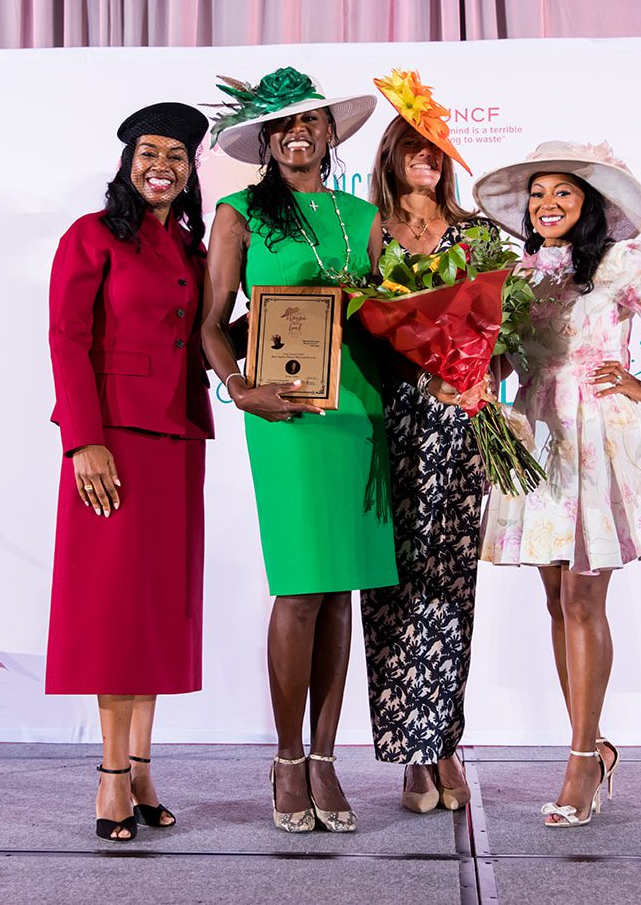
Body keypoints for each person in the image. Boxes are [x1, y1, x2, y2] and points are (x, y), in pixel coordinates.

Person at [474, 141, 641, 828]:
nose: (547, 204)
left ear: (589, 206)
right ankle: (594, 743)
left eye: (563, 193)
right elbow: (499, 353)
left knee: (584, 596)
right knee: (558, 599)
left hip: (595, 434)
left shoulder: (620, 265)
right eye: (538, 194)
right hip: (537, 432)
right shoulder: (516, 270)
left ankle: (582, 760)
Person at [199, 67, 397, 834]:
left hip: (359, 410)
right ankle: (286, 758)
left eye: (310, 121)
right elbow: (212, 321)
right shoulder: (240, 213)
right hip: (284, 413)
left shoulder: (361, 214)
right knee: (301, 586)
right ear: (265, 141)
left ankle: (324, 756)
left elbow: (389, 312)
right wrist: (238, 386)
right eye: (283, 126)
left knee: (342, 588)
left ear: (329, 131)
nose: (298, 134)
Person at [45, 102, 214, 843]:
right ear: (126, 161)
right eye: (151, 152)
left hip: (177, 442)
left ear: (189, 171)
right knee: (115, 612)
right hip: (113, 443)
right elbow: (65, 338)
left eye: (177, 156)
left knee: (155, 611)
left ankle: (142, 766)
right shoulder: (90, 237)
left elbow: (203, 335)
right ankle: (111, 776)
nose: (163, 166)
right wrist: (84, 441)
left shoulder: (187, 245)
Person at [360, 70, 490, 814]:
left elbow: (502, 331)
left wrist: (477, 372)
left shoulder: (475, 233)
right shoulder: (372, 228)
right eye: (413, 146)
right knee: (392, 584)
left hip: (461, 422)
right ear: (390, 154)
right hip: (392, 421)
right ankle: (411, 755)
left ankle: (445, 742)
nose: (425, 157)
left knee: (450, 588)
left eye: (435, 147)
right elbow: (358, 326)